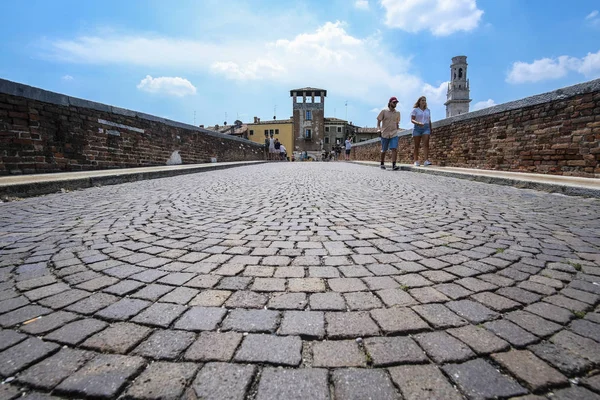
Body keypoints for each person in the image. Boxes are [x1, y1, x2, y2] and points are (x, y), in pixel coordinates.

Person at [377, 96, 401, 170]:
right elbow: (378, 121)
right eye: (394, 102)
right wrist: (378, 129)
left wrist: (397, 130)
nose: (395, 104)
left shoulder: (398, 113)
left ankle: (394, 165)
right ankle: (382, 163)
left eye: (396, 102)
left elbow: (397, 123)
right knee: (384, 150)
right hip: (385, 133)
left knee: (394, 149)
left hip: (394, 133)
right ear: (390, 103)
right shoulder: (384, 111)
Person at [410, 96, 432, 166]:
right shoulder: (415, 110)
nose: (424, 101)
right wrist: (418, 123)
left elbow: (429, 120)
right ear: (419, 102)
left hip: (426, 127)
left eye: (425, 100)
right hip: (417, 128)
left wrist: (430, 128)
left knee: (426, 144)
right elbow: (412, 120)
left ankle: (426, 161)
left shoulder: (428, 110)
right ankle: (416, 161)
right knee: (417, 145)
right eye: (422, 100)